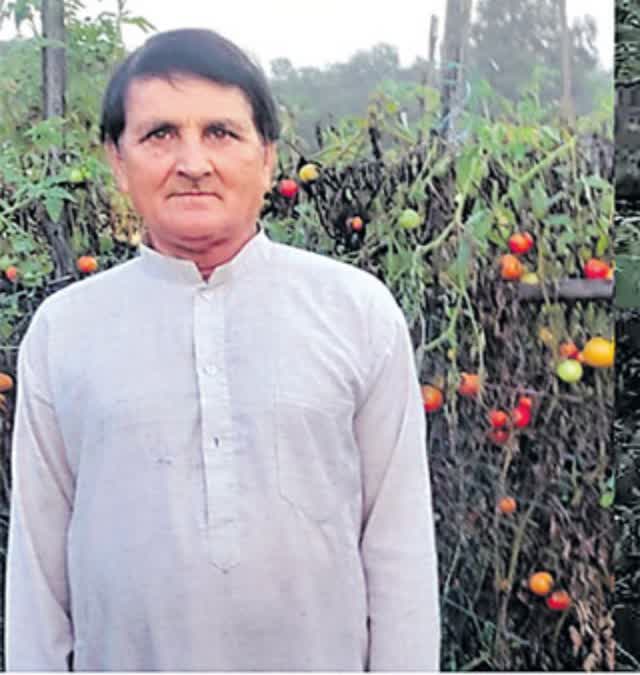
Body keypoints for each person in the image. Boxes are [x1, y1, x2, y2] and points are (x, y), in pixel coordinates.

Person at [4, 28, 440, 671]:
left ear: (266, 156)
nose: (193, 162)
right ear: (117, 161)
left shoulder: (355, 312)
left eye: (220, 133)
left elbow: (398, 548)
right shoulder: (64, 331)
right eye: (159, 135)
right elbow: (38, 574)